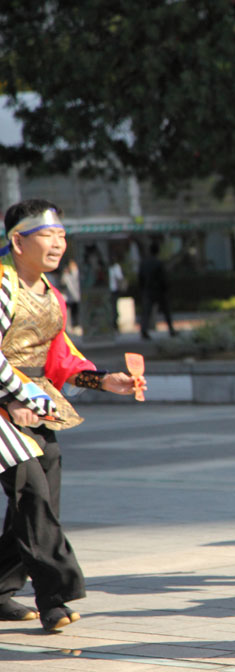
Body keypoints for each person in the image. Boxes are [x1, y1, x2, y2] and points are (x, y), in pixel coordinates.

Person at [0, 199, 140, 631]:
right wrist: (13, 397)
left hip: (34, 403)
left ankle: (1, 588)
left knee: (40, 495)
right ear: (17, 240)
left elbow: (62, 357)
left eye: (62, 234)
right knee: (32, 495)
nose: (59, 242)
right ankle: (56, 594)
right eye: (48, 233)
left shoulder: (50, 293)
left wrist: (105, 380)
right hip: (7, 404)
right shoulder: (3, 285)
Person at [138, 242, 176, 339]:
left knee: (146, 312)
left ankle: (144, 331)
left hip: (148, 290)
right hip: (158, 291)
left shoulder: (144, 263)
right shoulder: (158, 263)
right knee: (166, 310)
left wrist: (142, 289)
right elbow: (163, 278)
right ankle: (171, 329)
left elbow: (140, 278)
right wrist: (165, 289)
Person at [59, 258, 80, 333]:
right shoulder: (67, 275)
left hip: (76, 296)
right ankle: (72, 326)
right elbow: (63, 283)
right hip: (71, 297)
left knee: (76, 312)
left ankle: (76, 326)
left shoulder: (76, 273)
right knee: (71, 313)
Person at [107, 253, 125, 331]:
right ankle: (112, 323)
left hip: (114, 290)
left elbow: (119, 278)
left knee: (113, 307)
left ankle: (114, 323)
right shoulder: (110, 267)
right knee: (111, 307)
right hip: (109, 290)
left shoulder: (115, 267)